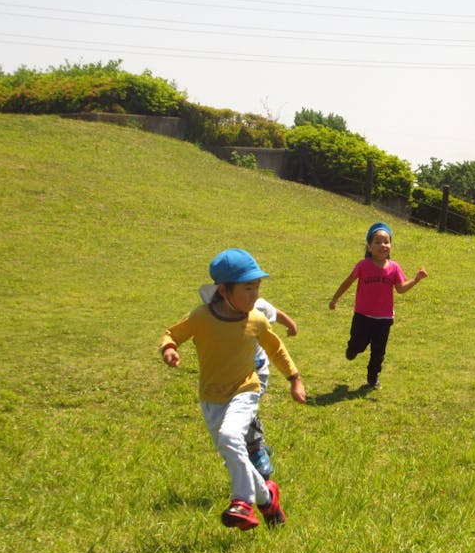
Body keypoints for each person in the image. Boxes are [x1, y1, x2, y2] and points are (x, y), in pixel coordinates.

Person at [160, 248, 307, 530]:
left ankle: (243, 502)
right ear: (224, 290)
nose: (254, 296)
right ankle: (268, 500)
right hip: (212, 397)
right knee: (234, 455)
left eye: (257, 288)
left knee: (230, 437)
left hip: (245, 389)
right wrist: (169, 348)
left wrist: (294, 379)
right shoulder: (201, 317)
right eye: (247, 288)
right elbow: (172, 333)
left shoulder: (256, 319)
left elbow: (276, 350)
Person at [197, 284, 298, 481]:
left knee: (245, 408)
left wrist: (291, 325)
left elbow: (275, 313)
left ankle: (255, 448)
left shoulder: (258, 308)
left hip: (256, 373)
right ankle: (249, 446)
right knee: (232, 412)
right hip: (227, 375)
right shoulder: (214, 313)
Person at [329, 222, 427, 389]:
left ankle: (372, 378)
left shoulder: (394, 267)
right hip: (362, 316)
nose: (383, 245)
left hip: (384, 318)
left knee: (378, 352)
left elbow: (401, 289)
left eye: (386, 242)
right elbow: (348, 282)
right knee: (359, 344)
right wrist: (335, 298)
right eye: (377, 242)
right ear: (369, 246)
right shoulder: (363, 265)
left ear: (391, 245)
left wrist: (416, 279)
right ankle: (353, 349)